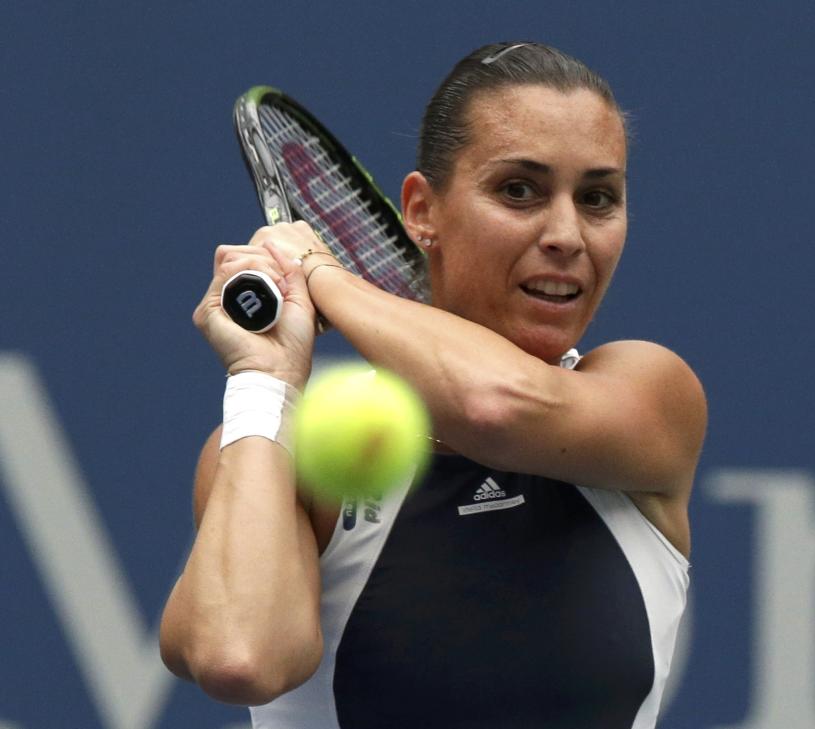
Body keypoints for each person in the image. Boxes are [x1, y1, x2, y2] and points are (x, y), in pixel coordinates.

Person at [159, 41, 706, 729]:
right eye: (519, 190)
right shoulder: (282, 450)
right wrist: (262, 380)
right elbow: (239, 654)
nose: (567, 233)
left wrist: (323, 276)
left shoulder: (649, 394)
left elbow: (496, 406)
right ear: (421, 211)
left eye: (598, 198)